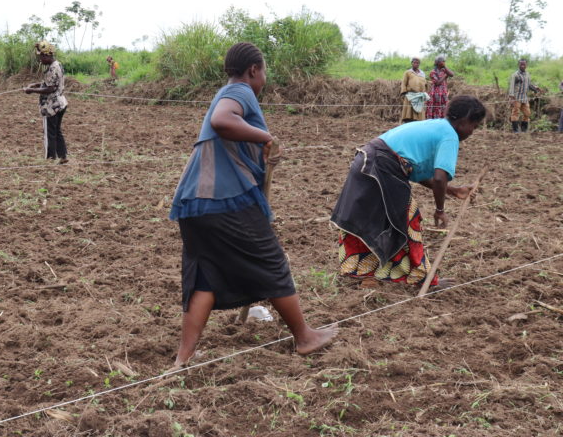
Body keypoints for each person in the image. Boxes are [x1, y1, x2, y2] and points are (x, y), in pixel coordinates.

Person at [169, 42, 338, 368]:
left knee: (205, 276)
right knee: (272, 262)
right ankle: (304, 337)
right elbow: (221, 121)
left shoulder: (229, 91)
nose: (264, 78)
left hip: (194, 203)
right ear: (253, 70)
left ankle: (183, 358)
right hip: (224, 202)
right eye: (264, 71)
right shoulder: (241, 91)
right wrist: (266, 138)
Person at [331, 95, 486, 289]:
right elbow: (439, 178)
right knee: (409, 221)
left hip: (366, 162)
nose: (472, 132)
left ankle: (366, 275)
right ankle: (424, 279)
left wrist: (453, 191)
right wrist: (440, 210)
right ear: (465, 121)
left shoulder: (435, 126)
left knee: (370, 220)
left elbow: (418, 173)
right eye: (475, 126)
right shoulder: (449, 136)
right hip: (381, 167)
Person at [24, 41, 68, 163]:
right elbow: (50, 83)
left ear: (47, 55)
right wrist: (35, 84)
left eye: (41, 56)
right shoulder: (57, 65)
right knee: (56, 131)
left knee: (50, 134)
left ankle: (50, 159)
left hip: (51, 106)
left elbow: (50, 88)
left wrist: (31, 90)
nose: (40, 59)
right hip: (60, 103)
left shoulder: (53, 68)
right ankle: (63, 156)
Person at [508, 59, 541, 133]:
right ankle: (515, 130)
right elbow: (511, 86)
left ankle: (524, 130)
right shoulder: (515, 75)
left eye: (524, 64)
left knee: (527, 113)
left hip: (524, 98)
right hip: (517, 97)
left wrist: (535, 89)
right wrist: (511, 97)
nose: (522, 66)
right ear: (518, 65)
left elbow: (529, 84)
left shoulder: (527, 74)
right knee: (515, 113)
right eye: (521, 64)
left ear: (526, 65)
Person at [400, 57, 429, 122]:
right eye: (414, 62)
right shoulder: (408, 72)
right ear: (412, 63)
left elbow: (425, 84)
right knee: (409, 113)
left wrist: (425, 93)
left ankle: (417, 125)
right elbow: (404, 83)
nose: (416, 64)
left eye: (417, 63)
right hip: (410, 95)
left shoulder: (422, 73)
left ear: (419, 64)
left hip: (419, 95)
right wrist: (404, 93)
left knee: (419, 114)